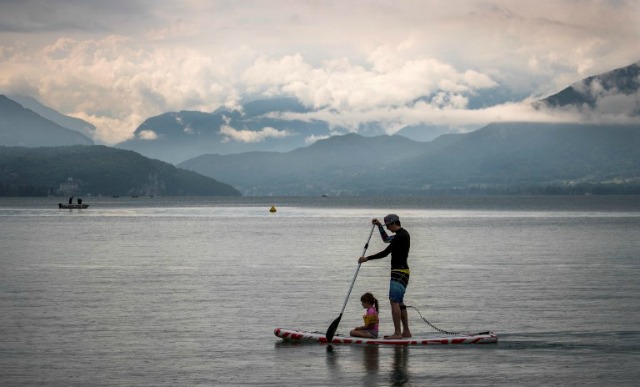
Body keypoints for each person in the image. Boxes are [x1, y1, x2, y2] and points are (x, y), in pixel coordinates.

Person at [358, 214, 412, 339]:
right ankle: (406, 332)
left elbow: (385, 253)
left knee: (394, 301)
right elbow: (386, 239)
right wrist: (378, 226)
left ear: (394, 223)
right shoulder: (402, 234)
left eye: (387, 226)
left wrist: (367, 258)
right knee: (400, 302)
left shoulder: (400, 237)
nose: (387, 228)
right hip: (403, 271)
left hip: (399, 272)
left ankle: (398, 333)